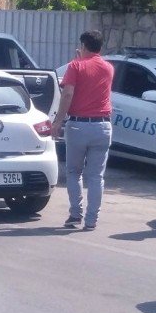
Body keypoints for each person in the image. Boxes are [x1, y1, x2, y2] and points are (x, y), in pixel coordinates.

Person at [51, 30, 114, 230]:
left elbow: (68, 93)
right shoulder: (108, 67)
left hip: (79, 125)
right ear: (100, 47)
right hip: (103, 125)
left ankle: (75, 214)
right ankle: (91, 220)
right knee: (96, 176)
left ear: (83, 46)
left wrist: (57, 121)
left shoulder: (75, 66)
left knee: (73, 172)